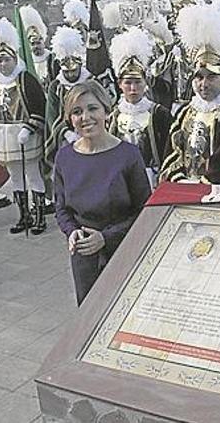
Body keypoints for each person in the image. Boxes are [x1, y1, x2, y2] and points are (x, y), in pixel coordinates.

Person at [54, 80, 151, 305]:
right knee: (90, 316)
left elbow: (144, 212)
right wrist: (72, 232)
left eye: (92, 108)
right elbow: (61, 208)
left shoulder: (128, 155)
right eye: (77, 112)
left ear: (106, 111)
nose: (85, 117)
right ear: (70, 119)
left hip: (123, 251)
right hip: (84, 254)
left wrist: (105, 238)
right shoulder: (65, 157)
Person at [159, 4, 220, 186]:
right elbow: (173, 151)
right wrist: (179, 178)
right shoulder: (185, 112)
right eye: (199, 77)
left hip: (215, 194)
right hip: (184, 189)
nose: (204, 84)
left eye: (211, 77)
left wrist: (200, 186)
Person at [0, 16, 47, 235]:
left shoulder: (25, 79)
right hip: (5, 136)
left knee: (32, 174)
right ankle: (24, 215)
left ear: (14, 59)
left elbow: (40, 107)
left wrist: (29, 127)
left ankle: (40, 215)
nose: (3, 64)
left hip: (25, 135)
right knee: (16, 177)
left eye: (6, 60)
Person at [107, 26, 173, 187]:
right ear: (119, 85)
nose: (133, 88)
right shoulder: (113, 116)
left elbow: (169, 152)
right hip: (121, 179)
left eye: (137, 82)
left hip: (153, 180)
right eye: (128, 83)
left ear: (146, 83)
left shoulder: (160, 114)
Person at [45, 26, 91, 173]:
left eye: (74, 71)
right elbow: (51, 114)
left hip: (91, 134)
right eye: (68, 71)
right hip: (65, 137)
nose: (71, 74)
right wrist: (65, 133)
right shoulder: (56, 86)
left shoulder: (90, 82)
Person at [20, 5, 58, 88]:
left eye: (38, 43)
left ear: (43, 41)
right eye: (33, 44)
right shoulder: (27, 61)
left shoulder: (52, 58)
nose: (36, 46)